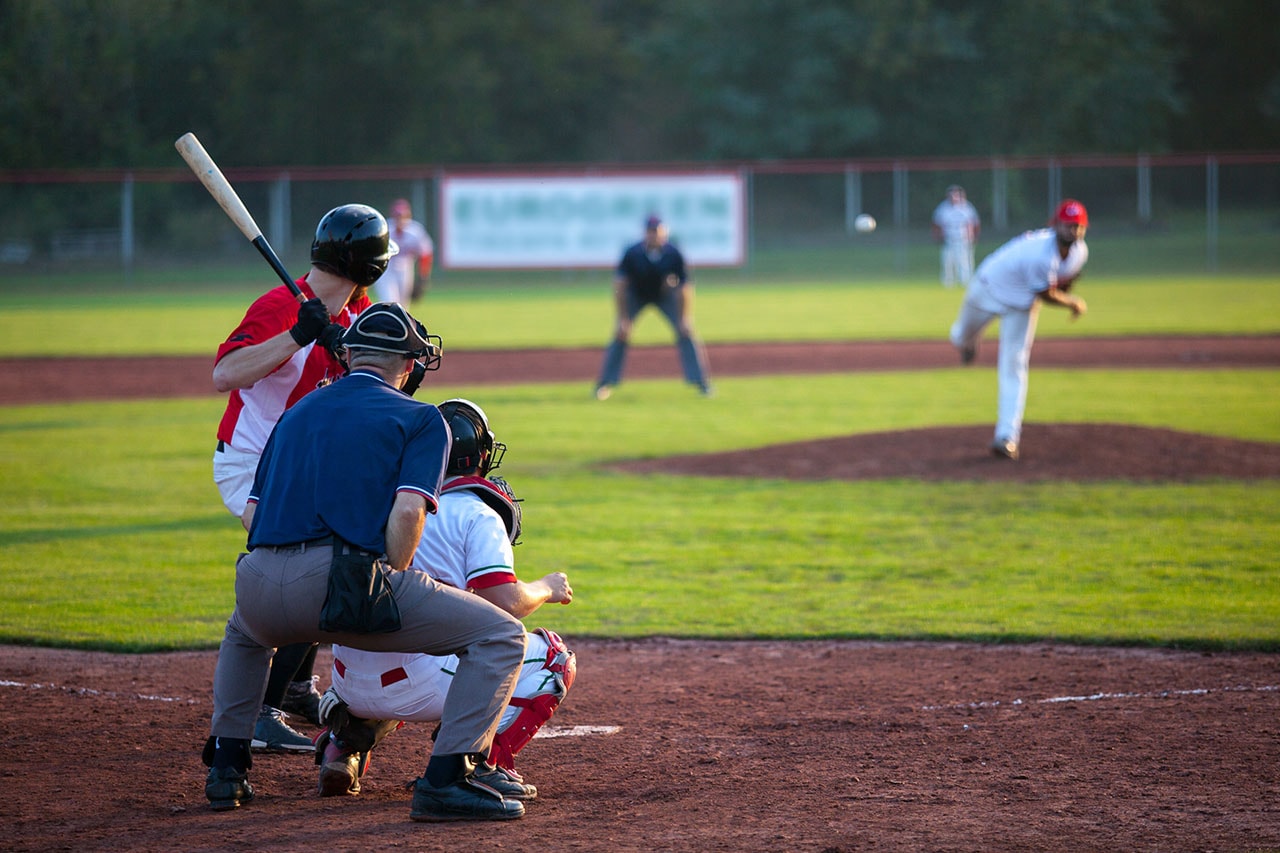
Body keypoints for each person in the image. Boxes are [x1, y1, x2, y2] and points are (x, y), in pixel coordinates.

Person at [202, 302, 529, 823]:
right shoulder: (421, 418)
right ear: (407, 366)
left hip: (259, 580)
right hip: (347, 584)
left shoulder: (294, 414)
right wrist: (393, 574)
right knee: (501, 637)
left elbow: (252, 513)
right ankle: (449, 777)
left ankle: (226, 769)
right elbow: (406, 512)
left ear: (349, 354)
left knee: (244, 637)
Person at [314, 398, 576, 801]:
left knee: (394, 633)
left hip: (347, 679)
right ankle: (481, 763)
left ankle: (343, 744)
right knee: (551, 655)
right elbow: (505, 601)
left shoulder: (377, 500)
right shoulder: (475, 513)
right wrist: (546, 587)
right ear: (483, 456)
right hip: (421, 682)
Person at [211, 203, 394, 753]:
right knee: (299, 566)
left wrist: (352, 353)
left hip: (302, 467)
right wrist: (297, 334)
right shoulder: (279, 306)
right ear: (366, 262)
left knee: (334, 555)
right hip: (251, 462)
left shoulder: (357, 312)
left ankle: (292, 688)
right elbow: (225, 374)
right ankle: (260, 713)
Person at [948, 199, 1090, 461]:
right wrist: (1072, 303)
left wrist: (1065, 289)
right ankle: (967, 344)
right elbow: (1047, 293)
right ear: (1054, 224)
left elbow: (1062, 279)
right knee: (959, 336)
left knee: (1015, 365)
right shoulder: (1040, 254)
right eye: (1068, 225)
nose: (1073, 231)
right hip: (988, 288)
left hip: (1021, 305)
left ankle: (1007, 437)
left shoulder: (1080, 252)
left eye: (1078, 226)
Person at [593, 214, 712, 400]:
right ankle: (604, 384)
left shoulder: (673, 253)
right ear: (644, 233)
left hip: (665, 296)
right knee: (620, 333)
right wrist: (623, 318)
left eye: (657, 231)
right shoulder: (633, 253)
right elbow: (620, 286)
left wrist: (684, 318)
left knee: (687, 331)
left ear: (664, 232)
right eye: (650, 231)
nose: (654, 235)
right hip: (636, 296)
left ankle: (702, 383)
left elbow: (685, 288)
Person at [373, 198, 434, 305]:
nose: (400, 219)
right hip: (386, 270)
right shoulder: (384, 229)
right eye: (397, 216)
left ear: (408, 216)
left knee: (403, 307)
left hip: (406, 269)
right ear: (392, 216)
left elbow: (426, 254)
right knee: (389, 302)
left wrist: (423, 277)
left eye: (403, 216)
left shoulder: (415, 231)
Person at [932, 185, 981, 288]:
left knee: (965, 262)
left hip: (964, 240)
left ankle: (965, 282)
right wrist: (938, 236)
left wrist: (974, 236)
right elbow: (937, 223)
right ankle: (948, 283)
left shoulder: (967, 207)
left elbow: (974, 223)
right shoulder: (943, 208)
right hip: (949, 240)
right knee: (948, 262)